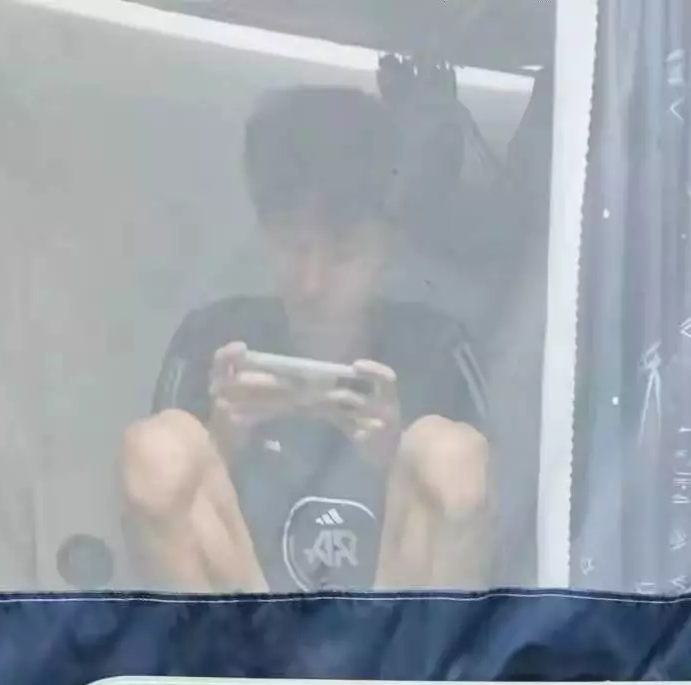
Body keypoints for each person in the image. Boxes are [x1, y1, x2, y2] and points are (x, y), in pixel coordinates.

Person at [121, 85, 491, 596]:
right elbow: (155, 524)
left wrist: (394, 457)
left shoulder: (437, 352)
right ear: (263, 234)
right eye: (291, 246)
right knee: (160, 448)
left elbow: (495, 533)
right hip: (237, 637)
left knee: (450, 454)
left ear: (389, 250)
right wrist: (222, 442)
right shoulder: (207, 341)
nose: (311, 283)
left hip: (396, 635)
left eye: (343, 253)